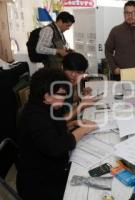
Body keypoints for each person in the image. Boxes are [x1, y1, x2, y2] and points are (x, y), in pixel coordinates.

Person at [16, 68, 97, 200]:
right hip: (40, 184)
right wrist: (82, 130)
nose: (64, 98)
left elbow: (53, 127)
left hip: (50, 169)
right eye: (61, 94)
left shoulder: (45, 106)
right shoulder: (34, 116)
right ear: (47, 96)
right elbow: (56, 147)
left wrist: (74, 123)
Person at [105, 1, 135, 81]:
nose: (130, 15)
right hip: (119, 75)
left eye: (133, 12)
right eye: (127, 13)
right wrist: (114, 68)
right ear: (123, 14)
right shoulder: (116, 31)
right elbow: (108, 50)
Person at [62, 52, 100, 121]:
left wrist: (82, 94)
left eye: (79, 72)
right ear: (62, 67)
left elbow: (67, 102)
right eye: (70, 70)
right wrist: (81, 106)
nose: (73, 75)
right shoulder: (56, 87)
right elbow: (58, 121)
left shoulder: (69, 84)